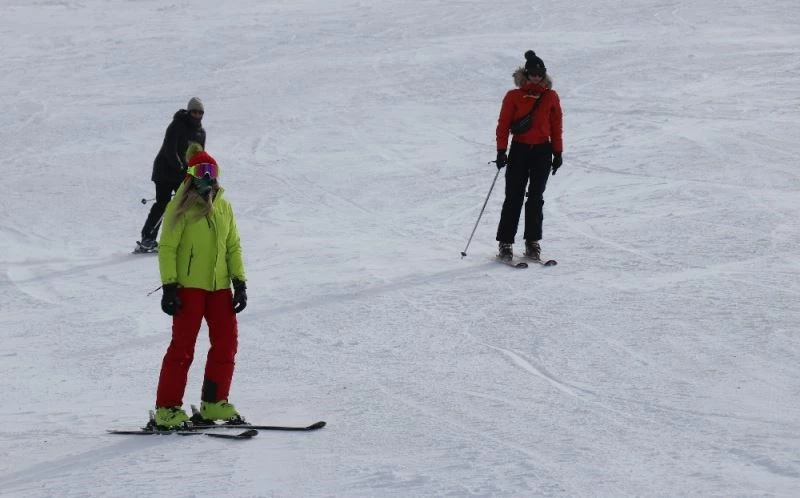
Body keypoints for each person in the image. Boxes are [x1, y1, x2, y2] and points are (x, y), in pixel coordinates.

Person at [151, 149, 248, 429]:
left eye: (212, 171)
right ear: (190, 177)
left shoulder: (224, 206)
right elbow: (167, 248)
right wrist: (169, 286)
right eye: (200, 171)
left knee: (227, 343)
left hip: (220, 288)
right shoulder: (179, 206)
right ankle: (167, 408)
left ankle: (214, 402)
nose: (207, 177)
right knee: (183, 348)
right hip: (188, 288)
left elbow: (233, 245)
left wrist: (239, 282)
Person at [494, 51, 563, 261]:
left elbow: (556, 126)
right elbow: (503, 124)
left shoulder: (551, 96)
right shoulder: (513, 96)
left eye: (540, 73)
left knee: (535, 198)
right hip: (519, 150)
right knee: (513, 197)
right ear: (526, 73)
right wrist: (501, 150)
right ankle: (505, 243)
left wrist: (558, 152)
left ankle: (533, 242)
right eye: (532, 73)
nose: (536, 77)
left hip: (542, 151)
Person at [137, 97, 207, 252]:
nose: (197, 115)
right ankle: (147, 238)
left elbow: (200, 156)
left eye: (200, 112)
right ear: (189, 112)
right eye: (194, 112)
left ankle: (180, 239)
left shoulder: (201, 133)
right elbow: (170, 149)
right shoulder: (177, 125)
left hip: (183, 174)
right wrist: (180, 167)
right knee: (163, 203)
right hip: (164, 171)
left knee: (185, 205)